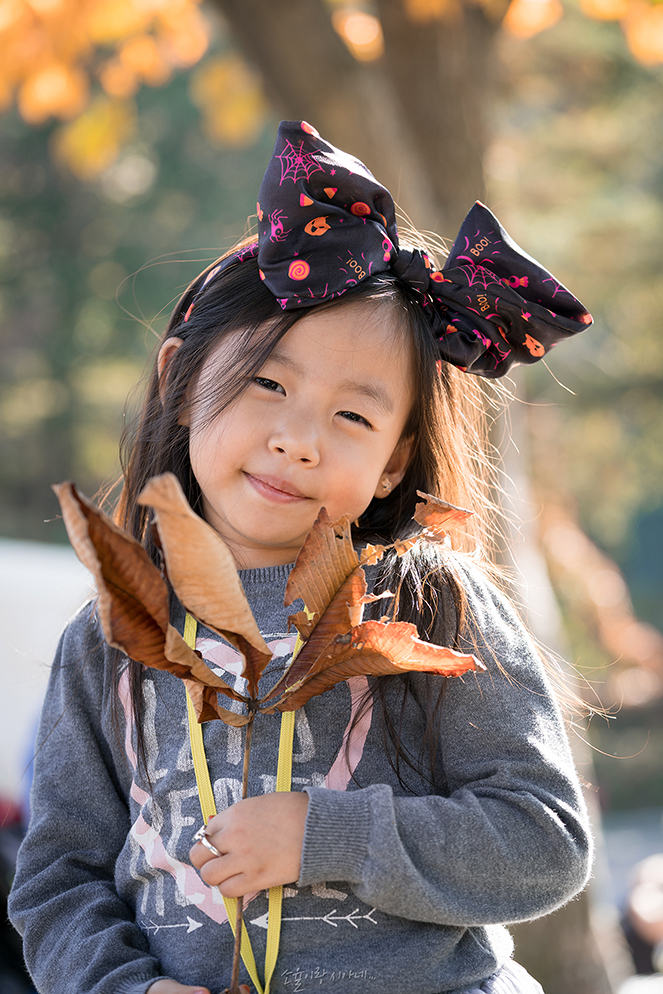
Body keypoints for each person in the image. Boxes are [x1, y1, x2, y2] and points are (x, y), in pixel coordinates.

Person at [9, 121, 595, 994]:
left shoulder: (431, 607)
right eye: (268, 383)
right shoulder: (112, 637)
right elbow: (58, 881)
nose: (298, 440)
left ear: (393, 461)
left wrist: (326, 836)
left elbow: (545, 841)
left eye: (353, 416)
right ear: (179, 382)